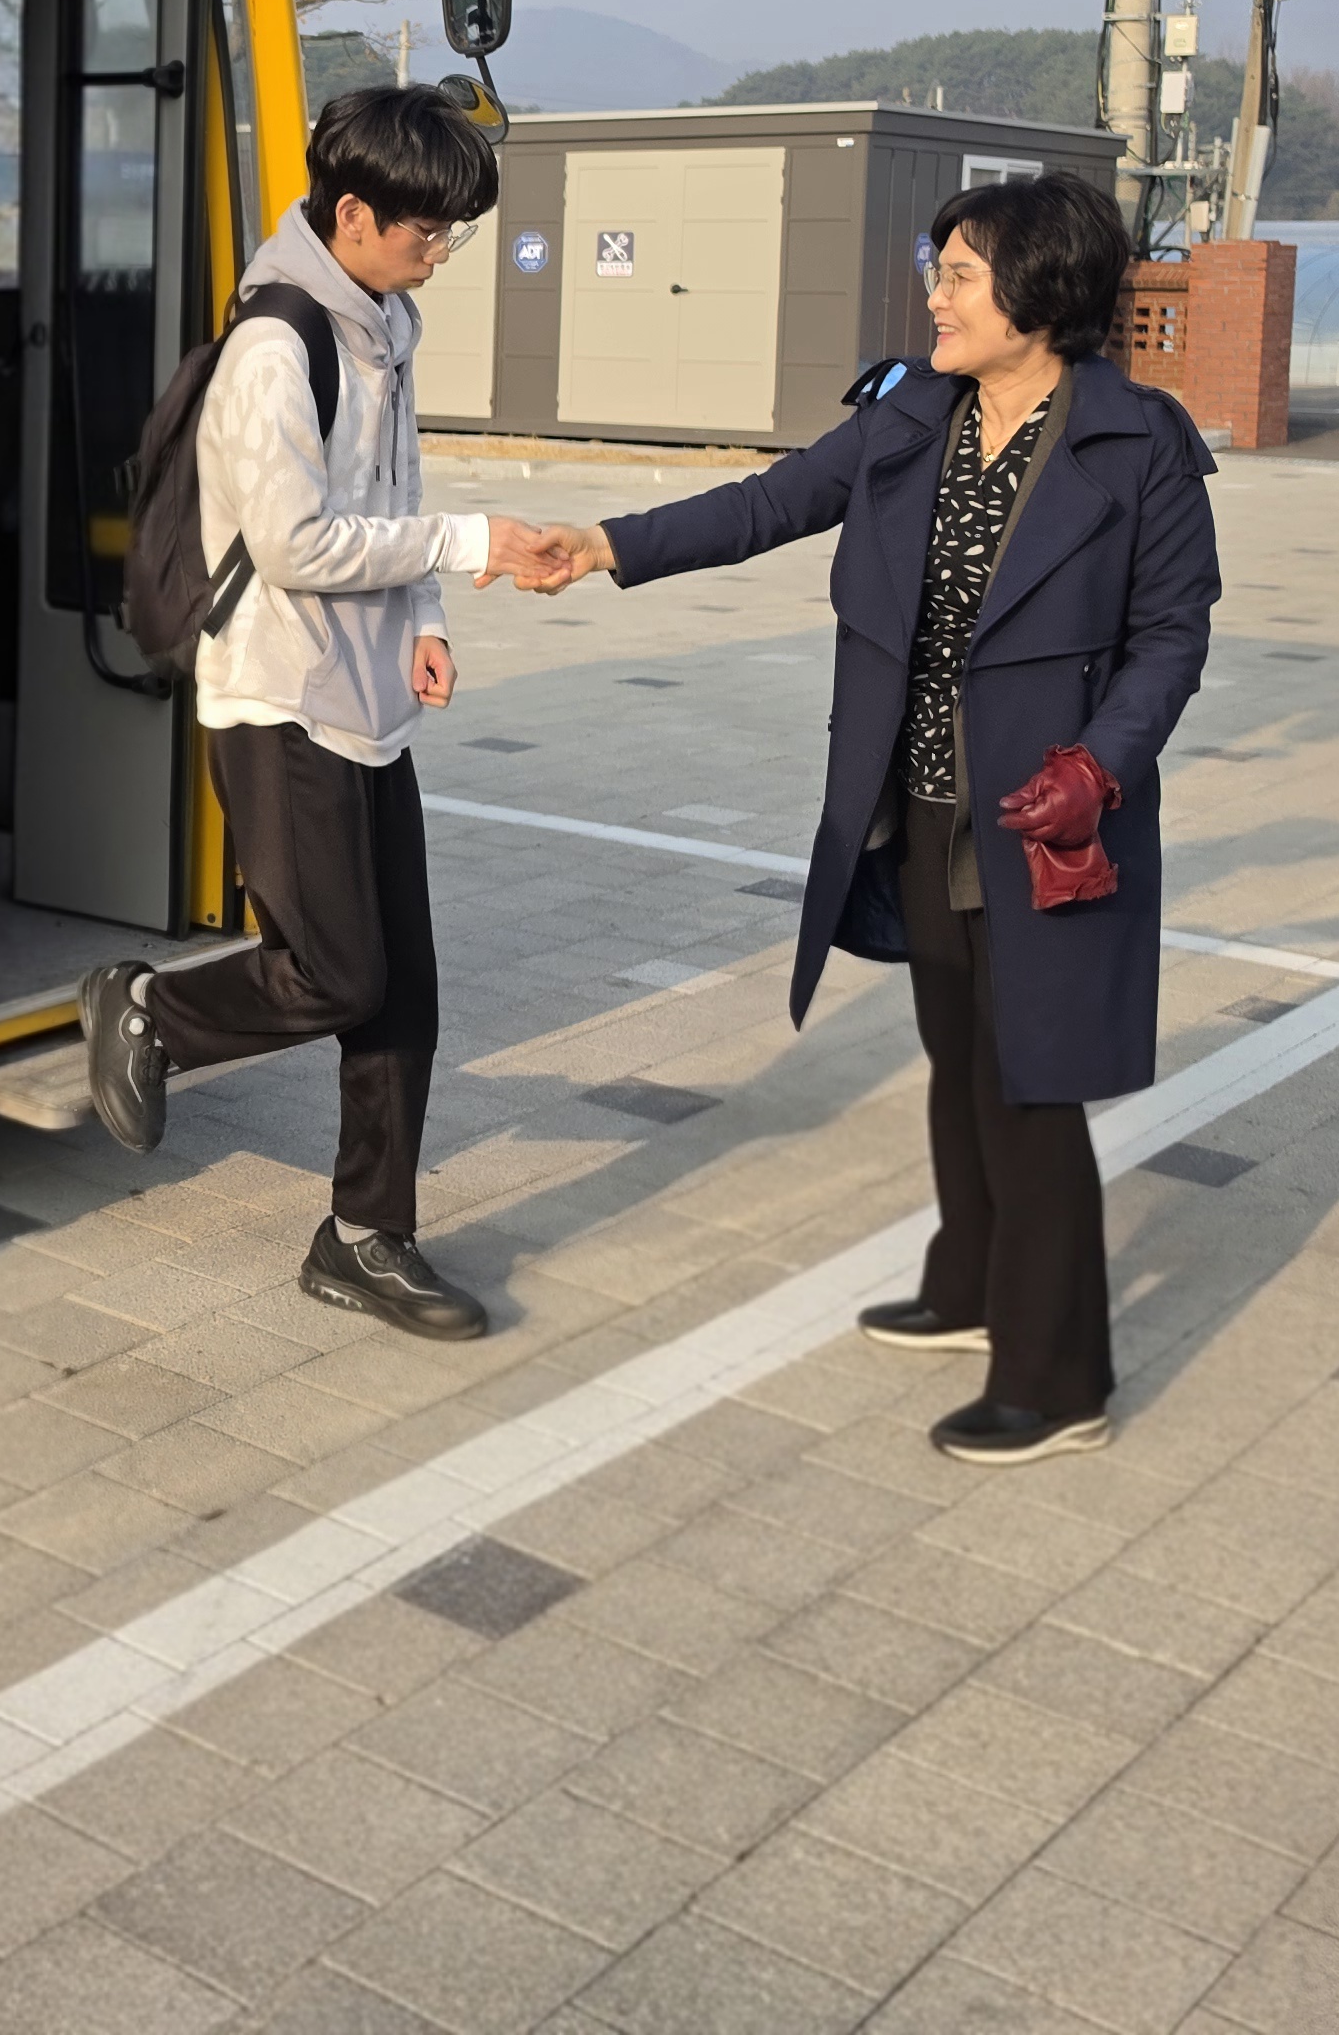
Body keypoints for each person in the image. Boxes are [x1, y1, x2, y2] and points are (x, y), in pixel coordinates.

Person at [506, 171, 1218, 1460]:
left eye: (957, 274)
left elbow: (1171, 637)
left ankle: (1059, 1378)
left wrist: (1100, 771)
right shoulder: (911, 415)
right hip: (921, 803)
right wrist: (602, 544)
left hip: (1047, 821)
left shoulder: (1137, 442)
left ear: (1039, 292)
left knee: (1032, 1089)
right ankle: (968, 1285)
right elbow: (767, 504)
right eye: (936, 268)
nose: (932, 294)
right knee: (961, 1060)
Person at [78, 86, 545, 1340]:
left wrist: (431, 614)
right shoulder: (277, 347)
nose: (438, 252)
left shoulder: (381, 321)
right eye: (424, 230)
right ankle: (150, 1012)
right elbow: (292, 542)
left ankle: (364, 1238)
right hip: (276, 694)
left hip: (366, 687)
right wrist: (473, 539)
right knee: (336, 971)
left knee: (404, 991)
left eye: (449, 232)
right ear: (352, 213)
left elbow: (394, 484)